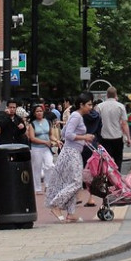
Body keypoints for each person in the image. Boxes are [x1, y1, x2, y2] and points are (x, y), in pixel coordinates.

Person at [45, 92, 95, 222]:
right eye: (89, 105)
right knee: (76, 182)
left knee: (71, 182)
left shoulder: (75, 116)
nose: (91, 107)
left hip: (71, 152)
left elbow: (63, 132)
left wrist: (82, 140)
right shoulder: (76, 116)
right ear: (81, 104)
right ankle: (56, 205)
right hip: (71, 153)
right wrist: (84, 137)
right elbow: (68, 134)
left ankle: (71, 213)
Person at [97, 86, 131, 170]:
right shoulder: (120, 106)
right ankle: (117, 178)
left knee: (104, 159)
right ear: (115, 95)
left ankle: (106, 178)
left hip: (103, 138)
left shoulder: (100, 107)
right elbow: (124, 123)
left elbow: (96, 122)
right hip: (117, 138)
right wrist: (128, 138)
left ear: (107, 95)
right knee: (118, 159)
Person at [26, 104, 56, 194]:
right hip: (36, 148)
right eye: (37, 111)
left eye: (41, 111)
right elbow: (32, 138)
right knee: (37, 168)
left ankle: (48, 185)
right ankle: (37, 188)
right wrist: (44, 142)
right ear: (34, 113)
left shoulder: (47, 122)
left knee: (50, 165)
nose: (39, 113)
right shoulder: (32, 124)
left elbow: (50, 135)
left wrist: (56, 140)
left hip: (46, 148)